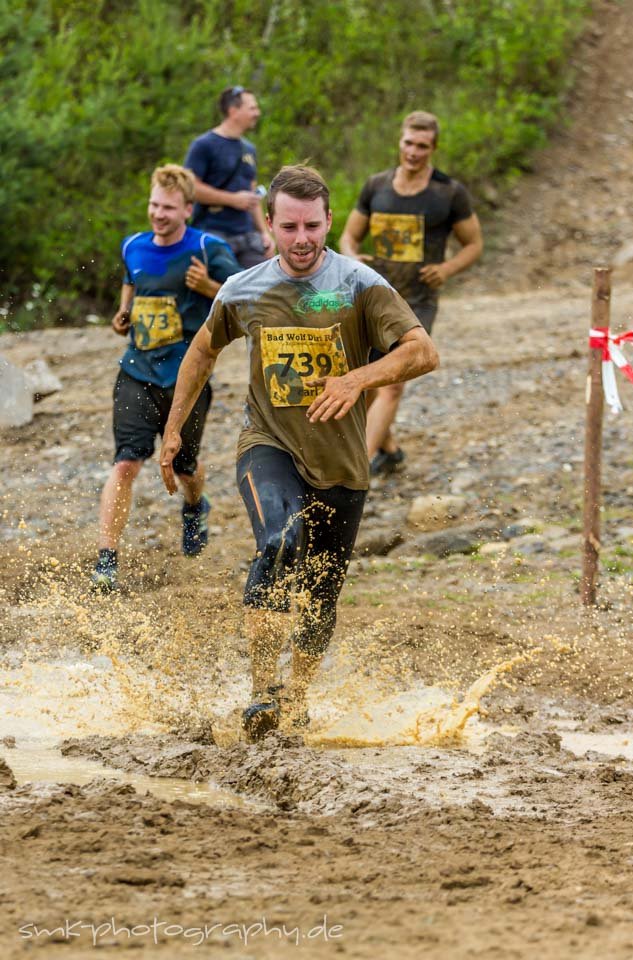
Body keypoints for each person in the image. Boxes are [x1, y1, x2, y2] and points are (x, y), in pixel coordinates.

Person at [159, 164, 439, 742]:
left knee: (320, 593)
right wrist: (174, 429)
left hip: (342, 464)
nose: (303, 238)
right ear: (269, 225)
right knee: (280, 541)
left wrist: (357, 379)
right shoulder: (244, 289)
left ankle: (299, 696)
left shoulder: (361, 284)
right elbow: (202, 352)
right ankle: (262, 691)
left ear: (329, 220)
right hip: (269, 443)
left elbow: (422, 352)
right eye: (290, 227)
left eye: (313, 225)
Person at [91, 164, 240, 592]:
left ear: (188, 210)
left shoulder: (209, 247)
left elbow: (242, 297)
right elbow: (131, 291)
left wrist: (207, 284)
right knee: (126, 463)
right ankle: (107, 559)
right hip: (136, 370)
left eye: (168, 208)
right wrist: (122, 319)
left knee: (184, 466)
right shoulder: (133, 245)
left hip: (186, 377)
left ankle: (195, 507)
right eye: (154, 204)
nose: (158, 214)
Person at [339, 110, 482, 474]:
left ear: (433, 148)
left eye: (422, 146)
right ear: (399, 142)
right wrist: (354, 257)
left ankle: (361, 466)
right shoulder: (376, 186)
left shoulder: (449, 192)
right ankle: (388, 449)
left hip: (417, 302)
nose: (413, 152)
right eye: (408, 143)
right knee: (368, 379)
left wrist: (447, 269)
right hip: (373, 297)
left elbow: (474, 244)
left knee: (391, 386)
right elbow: (349, 236)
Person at [184, 85, 275, 268]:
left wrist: (265, 233)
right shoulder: (203, 145)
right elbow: (189, 188)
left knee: (261, 290)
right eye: (252, 108)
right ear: (233, 111)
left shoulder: (249, 149)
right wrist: (232, 199)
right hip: (212, 233)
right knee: (222, 289)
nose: (257, 113)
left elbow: (252, 196)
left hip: (247, 235)